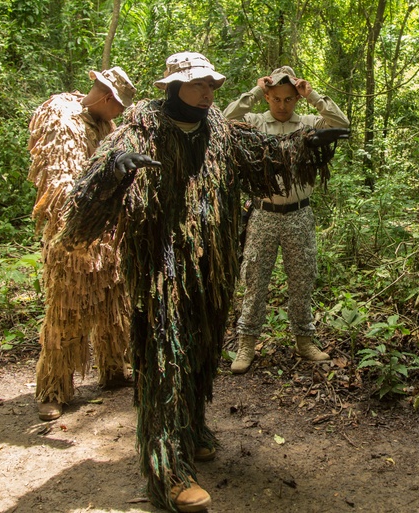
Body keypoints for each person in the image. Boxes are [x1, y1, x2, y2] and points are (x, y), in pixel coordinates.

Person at [57, 52, 347, 513]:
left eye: (212, 84)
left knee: (200, 353)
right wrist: (117, 167)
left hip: (209, 265)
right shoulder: (143, 124)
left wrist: (308, 147)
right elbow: (93, 177)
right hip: (161, 266)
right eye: (199, 85)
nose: (209, 92)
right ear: (173, 87)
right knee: (165, 359)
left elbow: (262, 159)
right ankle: (166, 470)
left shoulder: (217, 128)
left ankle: (190, 431)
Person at [223, 65, 350, 374]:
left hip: (299, 215)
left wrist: (313, 95)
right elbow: (224, 121)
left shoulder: (307, 124)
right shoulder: (253, 123)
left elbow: (341, 123)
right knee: (255, 280)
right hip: (263, 215)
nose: (282, 106)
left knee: (302, 280)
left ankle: (305, 341)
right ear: (268, 97)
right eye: (276, 99)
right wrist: (253, 92)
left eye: (289, 99)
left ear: (296, 99)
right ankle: (246, 345)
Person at [27, 67, 137, 421]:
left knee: (113, 304)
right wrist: (79, 217)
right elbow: (60, 179)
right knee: (68, 312)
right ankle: (53, 388)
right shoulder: (62, 117)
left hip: (108, 233)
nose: (119, 116)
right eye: (119, 109)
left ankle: (113, 368)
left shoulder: (103, 123)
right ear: (107, 99)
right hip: (73, 234)